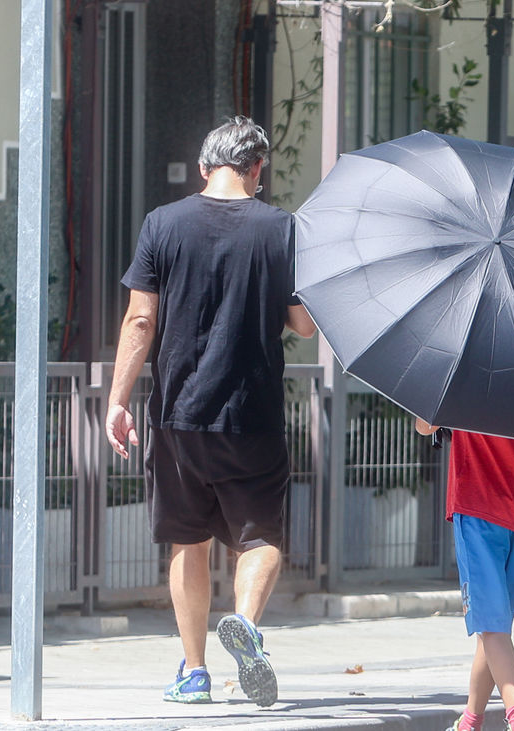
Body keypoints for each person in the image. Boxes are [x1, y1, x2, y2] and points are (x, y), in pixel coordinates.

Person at [105, 116, 316, 707]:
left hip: (178, 414)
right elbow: (302, 324)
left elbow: (140, 319)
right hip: (253, 414)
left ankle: (194, 672)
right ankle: (244, 625)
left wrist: (117, 400)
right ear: (257, 169)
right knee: (261, 536)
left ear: (203, 167)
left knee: (187, 540)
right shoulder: (282, 229)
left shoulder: (162, 224)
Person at [415, 418, 514, 731]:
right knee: (494, 627)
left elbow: (423, 425)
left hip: (478, 507)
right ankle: (469, 722)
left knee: (492, 627)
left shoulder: (462, 390)